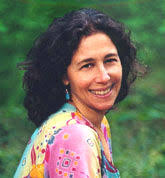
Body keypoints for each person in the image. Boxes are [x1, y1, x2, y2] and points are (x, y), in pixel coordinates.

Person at [14, 8, 141, 178]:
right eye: (87, 65)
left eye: (110, 60)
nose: (104, 76)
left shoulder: (99, 123)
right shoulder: (75, 135)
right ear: (64, 75)